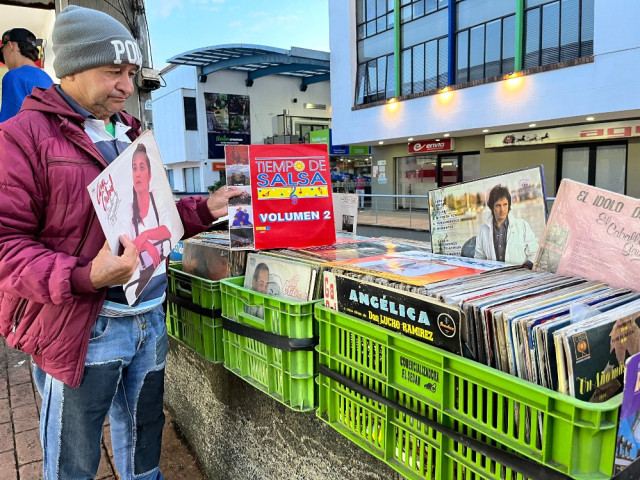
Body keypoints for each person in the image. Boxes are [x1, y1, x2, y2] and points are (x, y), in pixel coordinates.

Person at [0, 6, 241, 480]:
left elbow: (155, 217)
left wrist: (205, 209)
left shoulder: (130, 133)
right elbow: (7, 245)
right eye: (114, 72)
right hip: (84, 327)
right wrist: (85, 275)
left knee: (145, 433)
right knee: (74, 451)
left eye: (131, 73)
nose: (127, 86)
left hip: (148, 316)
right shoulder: (20, 138)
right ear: (70, 68)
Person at [127, 143, 172, 300]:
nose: (138, 174)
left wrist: (145, 236)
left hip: (159, 283)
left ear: (149, 175)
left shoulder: (157, 197)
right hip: (137, 285)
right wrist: (145, 244)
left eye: (142, 168)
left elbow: (167, 230)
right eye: (134, 168)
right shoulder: (128, 208)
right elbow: (127, 244)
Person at [474, 184, 539, 267]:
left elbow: (535, 252)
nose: (502, 210)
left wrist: (526, 267)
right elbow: (479, 258)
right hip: (494, 277)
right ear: (492, 207)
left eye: (505, 204)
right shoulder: (483, 230)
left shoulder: (522, 225)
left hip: (519, 275)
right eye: (498, 205)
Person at [0, 27, 53, 122]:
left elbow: (9, 124)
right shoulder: (46, 77)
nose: (5, 61)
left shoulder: (14, 76)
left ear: (10, 46)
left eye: (3, 53)